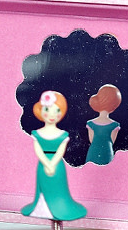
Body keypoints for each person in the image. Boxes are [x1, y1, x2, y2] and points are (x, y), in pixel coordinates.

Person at [21, 91, 86, 220]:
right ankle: (41, 208)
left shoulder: (62, 135)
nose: (52, 115)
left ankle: (60, 208)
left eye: (56, 111)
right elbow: (38, 151)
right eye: (47, 110)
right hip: (43, 166)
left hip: (57, 166)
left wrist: (52, 164)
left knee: (58, 188)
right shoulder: (37, 134)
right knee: (43, 187)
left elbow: (60, 151)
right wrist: (47, 163)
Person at [85, 84, 122, 165]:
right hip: (107, 153)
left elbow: (91, 140)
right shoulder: (114, 125)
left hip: (93, 153)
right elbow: (112, 141)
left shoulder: (91, 124)